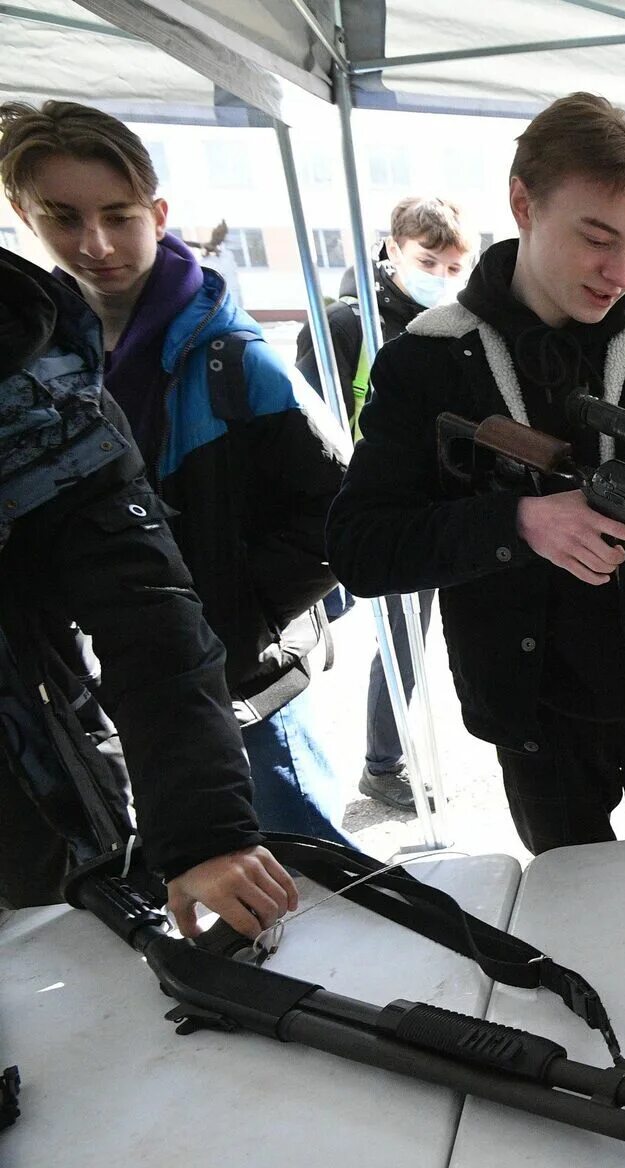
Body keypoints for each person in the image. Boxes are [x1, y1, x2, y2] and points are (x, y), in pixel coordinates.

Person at [327, 93, 625, 855]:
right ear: (522, 201)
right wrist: (517, 523)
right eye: (597, 238)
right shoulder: (427, 361)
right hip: (537, 716)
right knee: (576, 926)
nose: (621, 274)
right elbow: (358, 546)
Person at [1, 99, 353, 845]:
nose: (95, 243)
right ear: (23, 215)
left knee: (309, 865)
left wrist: (231, 618)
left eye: (119, 215)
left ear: (158, 213)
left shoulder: (235, 356)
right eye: (64, 218)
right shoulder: (39, 361)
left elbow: (341, 509)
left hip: (247, 687)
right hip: (129, 683)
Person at [0, 245, 294, 939]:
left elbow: (146, 605)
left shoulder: (32, 377)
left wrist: (203, 832)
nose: (95, 245)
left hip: (40, 788)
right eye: (64, 218)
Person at [295, 195, 475, 812]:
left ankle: (384, 760)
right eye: (429, 262)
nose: (442, 279)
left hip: (445, 512)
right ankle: (379, 763)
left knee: (413, 637)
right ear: (393, 249)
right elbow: (313, 428)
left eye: (455, 268)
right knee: (370, 640)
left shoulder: (458, 329)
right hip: (373, 511)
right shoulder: (345, 326)